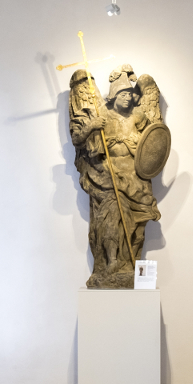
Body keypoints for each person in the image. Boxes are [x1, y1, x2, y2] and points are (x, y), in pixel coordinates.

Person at [69, 65, 162, 288]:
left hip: (136, 179)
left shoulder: (138, 116)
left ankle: (132, 262)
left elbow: (153, 141)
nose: (128, 98)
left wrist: (135, 142)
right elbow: (78, 139)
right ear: (114, 96)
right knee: (110, 219)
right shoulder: (102, 115)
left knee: (138, 222)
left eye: (130, 94)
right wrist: (92, 126)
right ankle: (110, 262)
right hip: (108, 177)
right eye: (123, 94)